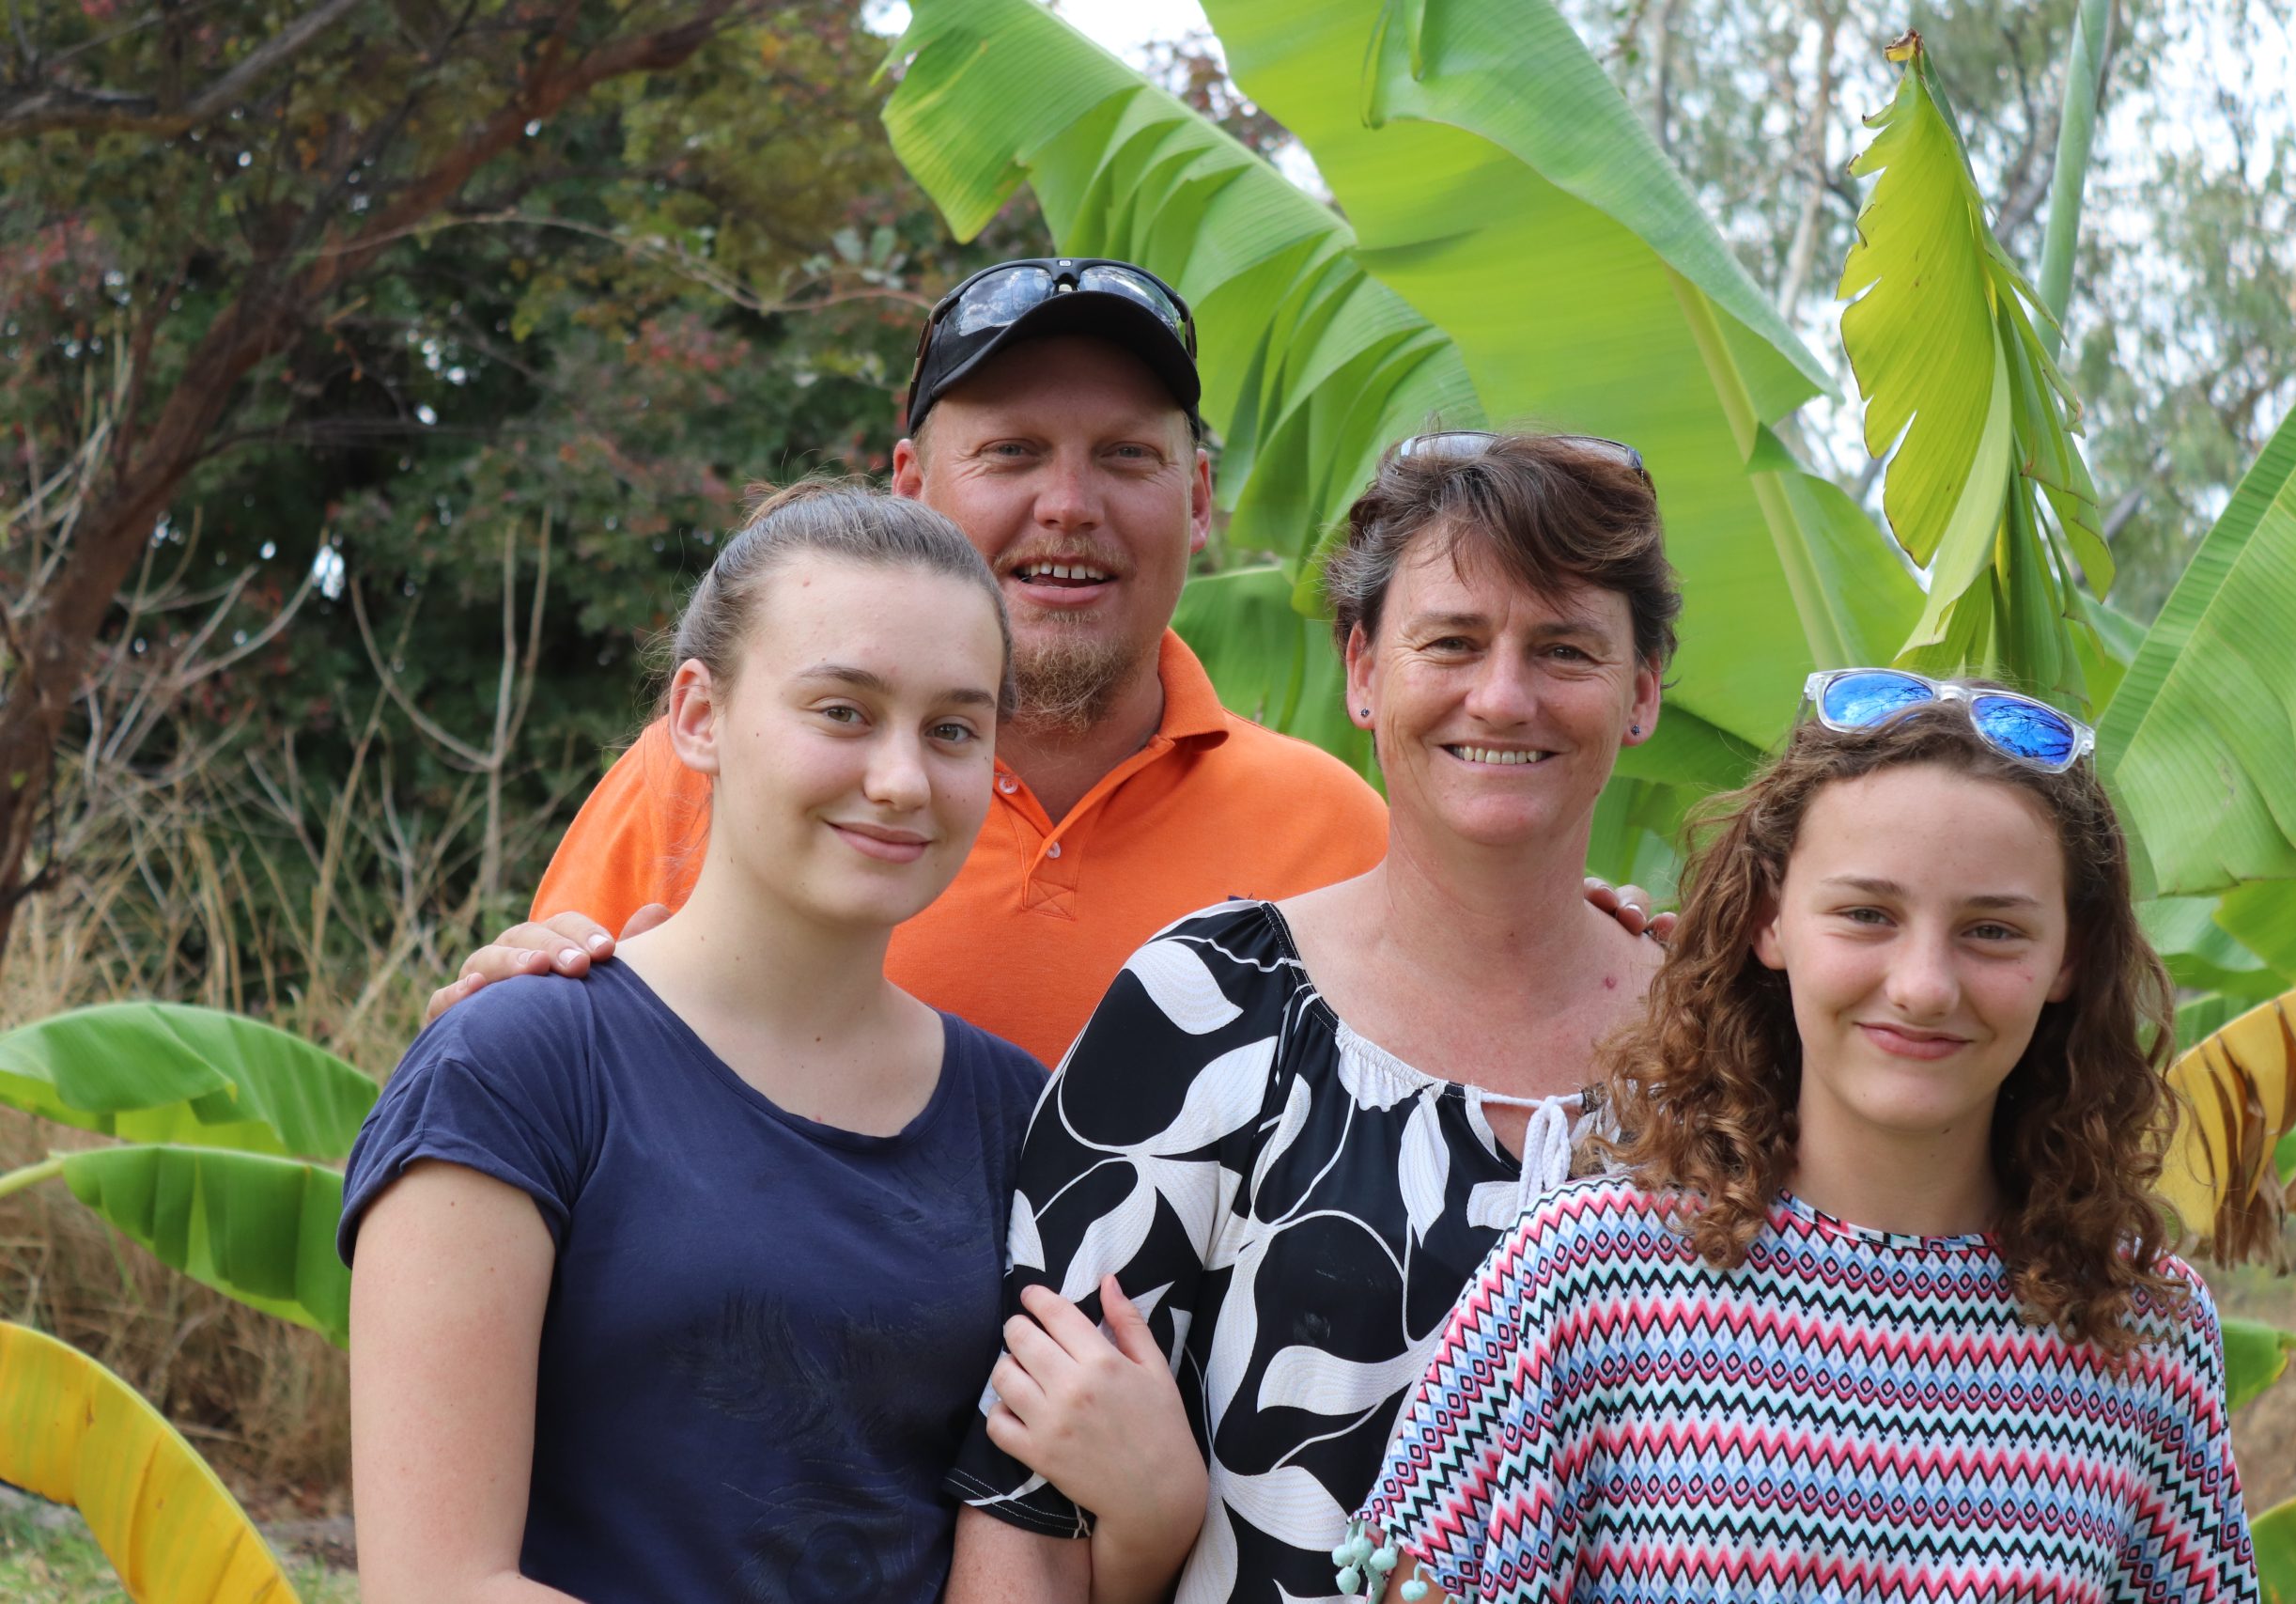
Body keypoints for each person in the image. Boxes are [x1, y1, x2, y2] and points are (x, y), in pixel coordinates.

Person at [427, 260, 1666, 1064]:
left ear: (1197, 500)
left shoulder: (1332, 829)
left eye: (1125, 457)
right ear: (911, 485)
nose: (1069, 506)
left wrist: (1594, 938)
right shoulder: (724, 774)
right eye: (1013, 452)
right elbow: (539, 1088)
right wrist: (510, 1008)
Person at [342, 486, 1196, 1604]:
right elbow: (436, 1584)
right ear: (698, 714)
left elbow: (1034, 1559)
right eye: (842, 711)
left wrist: (1157, 1510)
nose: (900, 780)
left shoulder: (1018, 1116)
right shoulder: (515, 1069)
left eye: (951, 729)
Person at [942, 433, 1680, 1602]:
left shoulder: (1739, 1049)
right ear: (1361, 670)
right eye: (1449, 641)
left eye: (1565, 650)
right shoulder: (1212, 1007)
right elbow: (1028, 1508)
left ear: (1640, 692)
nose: (1502, 694)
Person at [1345, 672, 2261, 1603]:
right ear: (1767, 918)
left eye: (1991, 930)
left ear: (2067, 956)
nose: (1922, 986)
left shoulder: (2144, 1335)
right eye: (1867, 914)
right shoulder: (1578, 1285)